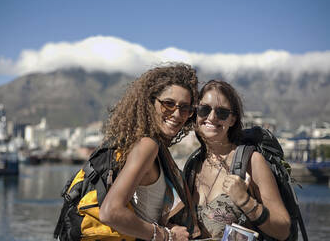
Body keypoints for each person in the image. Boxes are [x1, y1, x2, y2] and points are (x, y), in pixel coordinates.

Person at [99, 63, 201, 241]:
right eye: (168, 104)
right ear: (150, 102)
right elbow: (110, 212)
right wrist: (167, 235)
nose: (177, 114)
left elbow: (141, 211)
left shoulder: (140, 143)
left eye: (185, 108)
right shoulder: (148, 145)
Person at [183, 80, 291, 240]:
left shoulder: (252, 161)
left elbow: (283, 230)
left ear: (232, 120)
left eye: (222, 113)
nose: (211, 117)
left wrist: (245, 201)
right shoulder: (193, 165)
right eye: (204, 109)